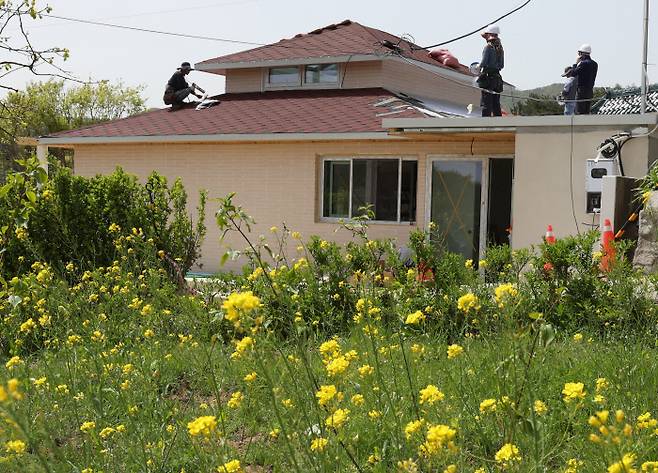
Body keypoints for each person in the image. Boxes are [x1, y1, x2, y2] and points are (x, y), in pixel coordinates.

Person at [477, 24, 504, 117]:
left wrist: (478, 67)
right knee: (496, 104)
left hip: (488, 78)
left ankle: (485, 124)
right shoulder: (500, 49)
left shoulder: (488, 47)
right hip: (497, 79)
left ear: (489, 35)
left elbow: (484, 63)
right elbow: (501, 65)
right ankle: (498, 124)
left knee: (486, 103)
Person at [570, 44, 598, 115]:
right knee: (586, 113)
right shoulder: (595, 64)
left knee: (579, 112)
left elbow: (573, 73)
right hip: (590, 91)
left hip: (581, 91)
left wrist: (575, 63)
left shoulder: (583, 63)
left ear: (582, 54)